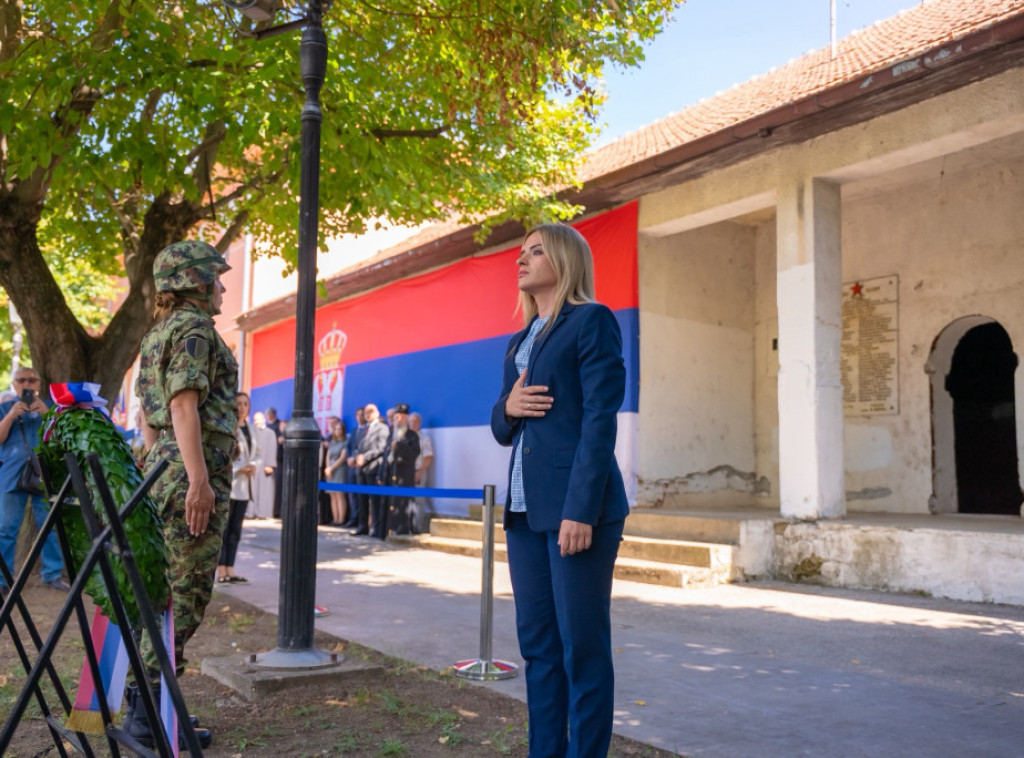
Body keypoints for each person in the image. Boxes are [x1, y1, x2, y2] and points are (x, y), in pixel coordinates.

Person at [490, 223, 628, 758]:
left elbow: (600, 420)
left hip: (577, 510)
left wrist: (581, 510)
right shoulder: (518, 341)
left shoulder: (591, 320)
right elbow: (503, 427)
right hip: (525, 513)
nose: (521, 260)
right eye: (520, 253)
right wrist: (507, 408)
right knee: (539, 648)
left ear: (565, 260)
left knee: (582, 649)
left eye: (535, 251)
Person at [129, 239, 237, 748]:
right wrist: (196, 480)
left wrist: (162, 468)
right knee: (185, 596)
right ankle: (147, 713)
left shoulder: (157, 333)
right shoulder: (194, 328)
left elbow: (150, 417)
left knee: (162, 593)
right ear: (195, 281)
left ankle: (148, 703)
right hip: (190, 471)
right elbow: (181, 407)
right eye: (216, 279)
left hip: (164, 470)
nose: (222, 289)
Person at [0, 366, 68, 595]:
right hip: (11, 475)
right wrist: (11, 416)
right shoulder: (4, 408)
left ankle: (52, 574)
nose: (27, 384)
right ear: (14, 384)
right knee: (6, 528)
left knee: (50, 526)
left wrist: (47, 415)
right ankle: (3, 578)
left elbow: (63, 439)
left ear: (39, 384)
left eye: (31, 380)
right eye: (21, 380)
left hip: (44, 475)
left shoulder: (51, 408)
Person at [218, 391, 257, 584]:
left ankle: (231, 570)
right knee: (224, 531)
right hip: (230, 485)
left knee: (235, 531)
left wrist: (253, 465)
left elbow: (257, 454)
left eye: (245, 404)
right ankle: (221, 571)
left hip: (245, 488)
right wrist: (238, 469)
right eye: (239, 403)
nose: (242, 407)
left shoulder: (252, 430)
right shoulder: (227, 427)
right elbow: (222, 456)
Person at [350, 403, 387, 536]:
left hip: (373, 468)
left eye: (371, 411)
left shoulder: (382, 428)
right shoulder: (362, 429)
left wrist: (364, 458)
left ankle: (376, 528)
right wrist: (355, 457)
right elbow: (356, 447)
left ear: (377, 413)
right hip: (360, 469)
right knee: (362, 499)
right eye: (366, 412)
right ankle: (362, 526)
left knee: (374, 500)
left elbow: (381, 448)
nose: (368, 414)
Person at [385, 404, 419, 537]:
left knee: (404, 505)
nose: (398, 420)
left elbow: (413, 454)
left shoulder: (412, 436)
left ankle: (403, 531)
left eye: (401, 417)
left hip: (405, 476)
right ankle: (390, 530)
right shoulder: (391, 435)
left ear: (406, 419)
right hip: (391, 475)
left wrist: (399, 446)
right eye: (396, 417)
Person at [249, 411, 277, 518]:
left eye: (259, 419)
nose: (257, 422)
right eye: (255, 420)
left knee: (264, 489)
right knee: (253, 488)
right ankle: (251, 513)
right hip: (254, 464)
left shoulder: (270, 433)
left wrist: (270, 464)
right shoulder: (252, 432)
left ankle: (262, 513)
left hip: (265, 464)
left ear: (264, 419)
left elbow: (272, 448)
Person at [409, 411, 434, 534]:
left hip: (419, 471)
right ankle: (407, 526)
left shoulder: (424, 438)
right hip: (406, 473)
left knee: (418, 501)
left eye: (415, 421)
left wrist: (419, 473)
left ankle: (417, 528)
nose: (413, 423)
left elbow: (427, 458)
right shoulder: (405, 436)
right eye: (411, 421)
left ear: (419, 423)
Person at [340, 406, 364, 528]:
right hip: (351, 466)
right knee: (352, 494)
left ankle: (361, 519)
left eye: (362, 415)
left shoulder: (367, 430)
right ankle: (353, 517)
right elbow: (349, 447)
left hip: (361, 466)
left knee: (361, 494)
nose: (360, 417)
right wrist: (349, 458)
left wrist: (356, 459)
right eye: (358, 415)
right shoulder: (354, 431)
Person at [324, 418, 348, 525]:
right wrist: (327, 467)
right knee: (332, 495)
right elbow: (328, 456)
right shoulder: (332, 442)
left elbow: (342, 458)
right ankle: (335, 518)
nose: (338, 431)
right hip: (330, 471)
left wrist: (331, 468)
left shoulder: (345, 442)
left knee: (339, 495)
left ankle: (341, 519)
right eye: (336, 429)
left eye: (340, 429)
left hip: (339, 470)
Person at [265, 407, 285, 518]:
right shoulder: (268, 427)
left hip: (280, 461)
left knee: (278, 488)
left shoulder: (277, 427)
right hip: (271, 460)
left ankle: (278, 511)